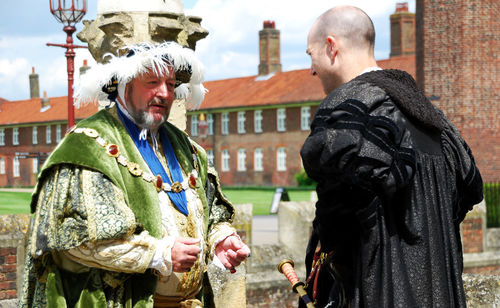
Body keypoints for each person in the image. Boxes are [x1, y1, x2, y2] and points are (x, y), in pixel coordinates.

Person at [19, 41, 250, 308]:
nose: (164, 93)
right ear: (125, 85)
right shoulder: (88, 146)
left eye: (171, 85)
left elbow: (212, 213)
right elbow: (70, 238)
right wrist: (159, 254)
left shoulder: (188, 148)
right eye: (152, 82)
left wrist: (222, 239)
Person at [300, 6, 483, 308]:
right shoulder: (433, 117)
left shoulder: (350, 107)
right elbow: (470, 189)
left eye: (311, 55)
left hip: (379, 292)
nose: (311, 70)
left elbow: (336, 227)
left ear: (331, 46)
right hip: (441, 292)